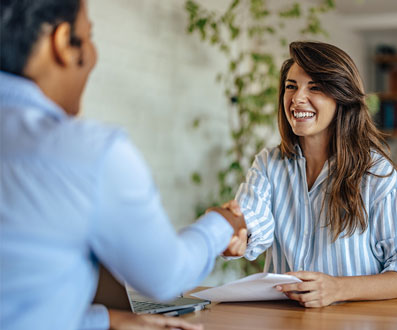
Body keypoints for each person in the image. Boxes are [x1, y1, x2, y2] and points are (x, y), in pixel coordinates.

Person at [0, 1, 246, 329]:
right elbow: (166, 276)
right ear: (63, 43)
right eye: (89, 36)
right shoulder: (89, 151)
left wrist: (107, 320)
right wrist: (221, 223)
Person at [231, 41, 397, 307]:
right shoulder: (269, 164)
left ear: (341, 97)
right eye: (291, 86)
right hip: (292, 321)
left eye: (314, 87)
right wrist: (232, 233)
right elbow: (249, 218)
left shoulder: (374, 172)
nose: (297, 98)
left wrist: (337, 289)